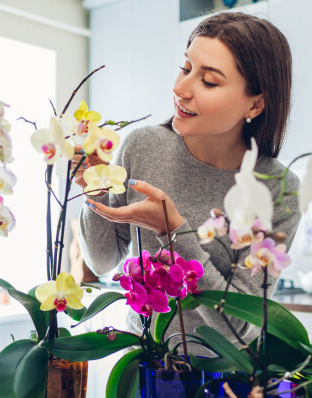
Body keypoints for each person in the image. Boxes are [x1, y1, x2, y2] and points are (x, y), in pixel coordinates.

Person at [76, 11, 300, 350]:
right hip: (146, 367)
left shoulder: (276, 190)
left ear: (255, 103)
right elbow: (102, 260)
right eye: (185, 68)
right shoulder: (142, 146)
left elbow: (237, 329)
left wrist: (174, 231)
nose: (180, 89)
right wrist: (95, 189)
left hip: (224, 383)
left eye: (208, 81)